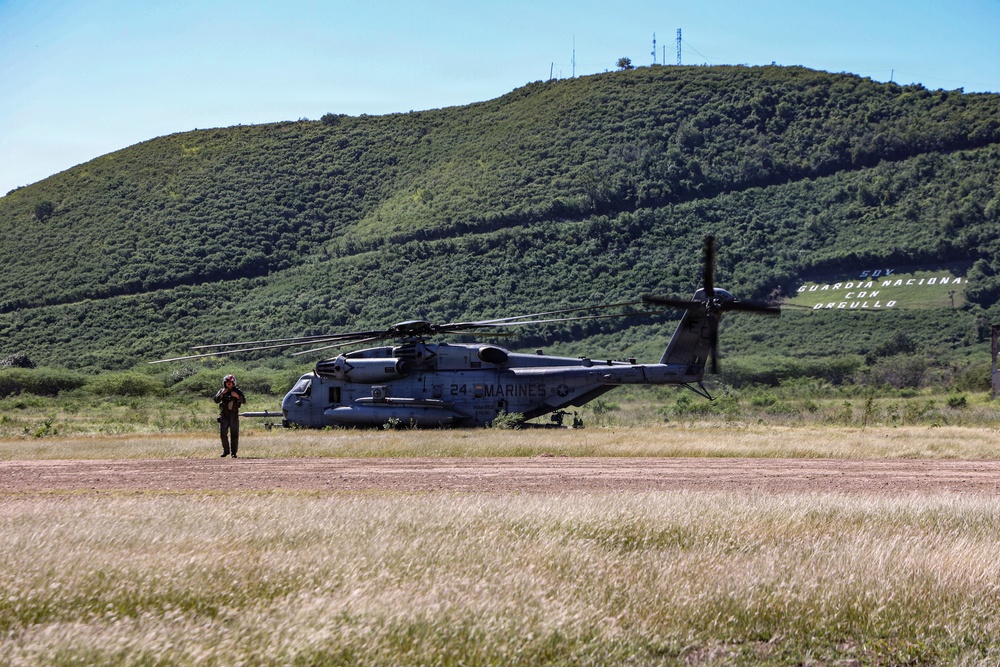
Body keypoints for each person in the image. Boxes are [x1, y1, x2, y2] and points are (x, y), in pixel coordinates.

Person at [214, 374, 246, 458]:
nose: (229, 384)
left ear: (233, 383)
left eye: (230, 382)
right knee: (223, 433)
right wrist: (221, 394)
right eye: (227, 382)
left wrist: (237, 396)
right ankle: (226, 450)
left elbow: (244, 400)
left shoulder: (237, 391)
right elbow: (216, 400)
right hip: (224, 415)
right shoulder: (222, 391)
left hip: (234, 415)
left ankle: (234, 453)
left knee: (234, 434)